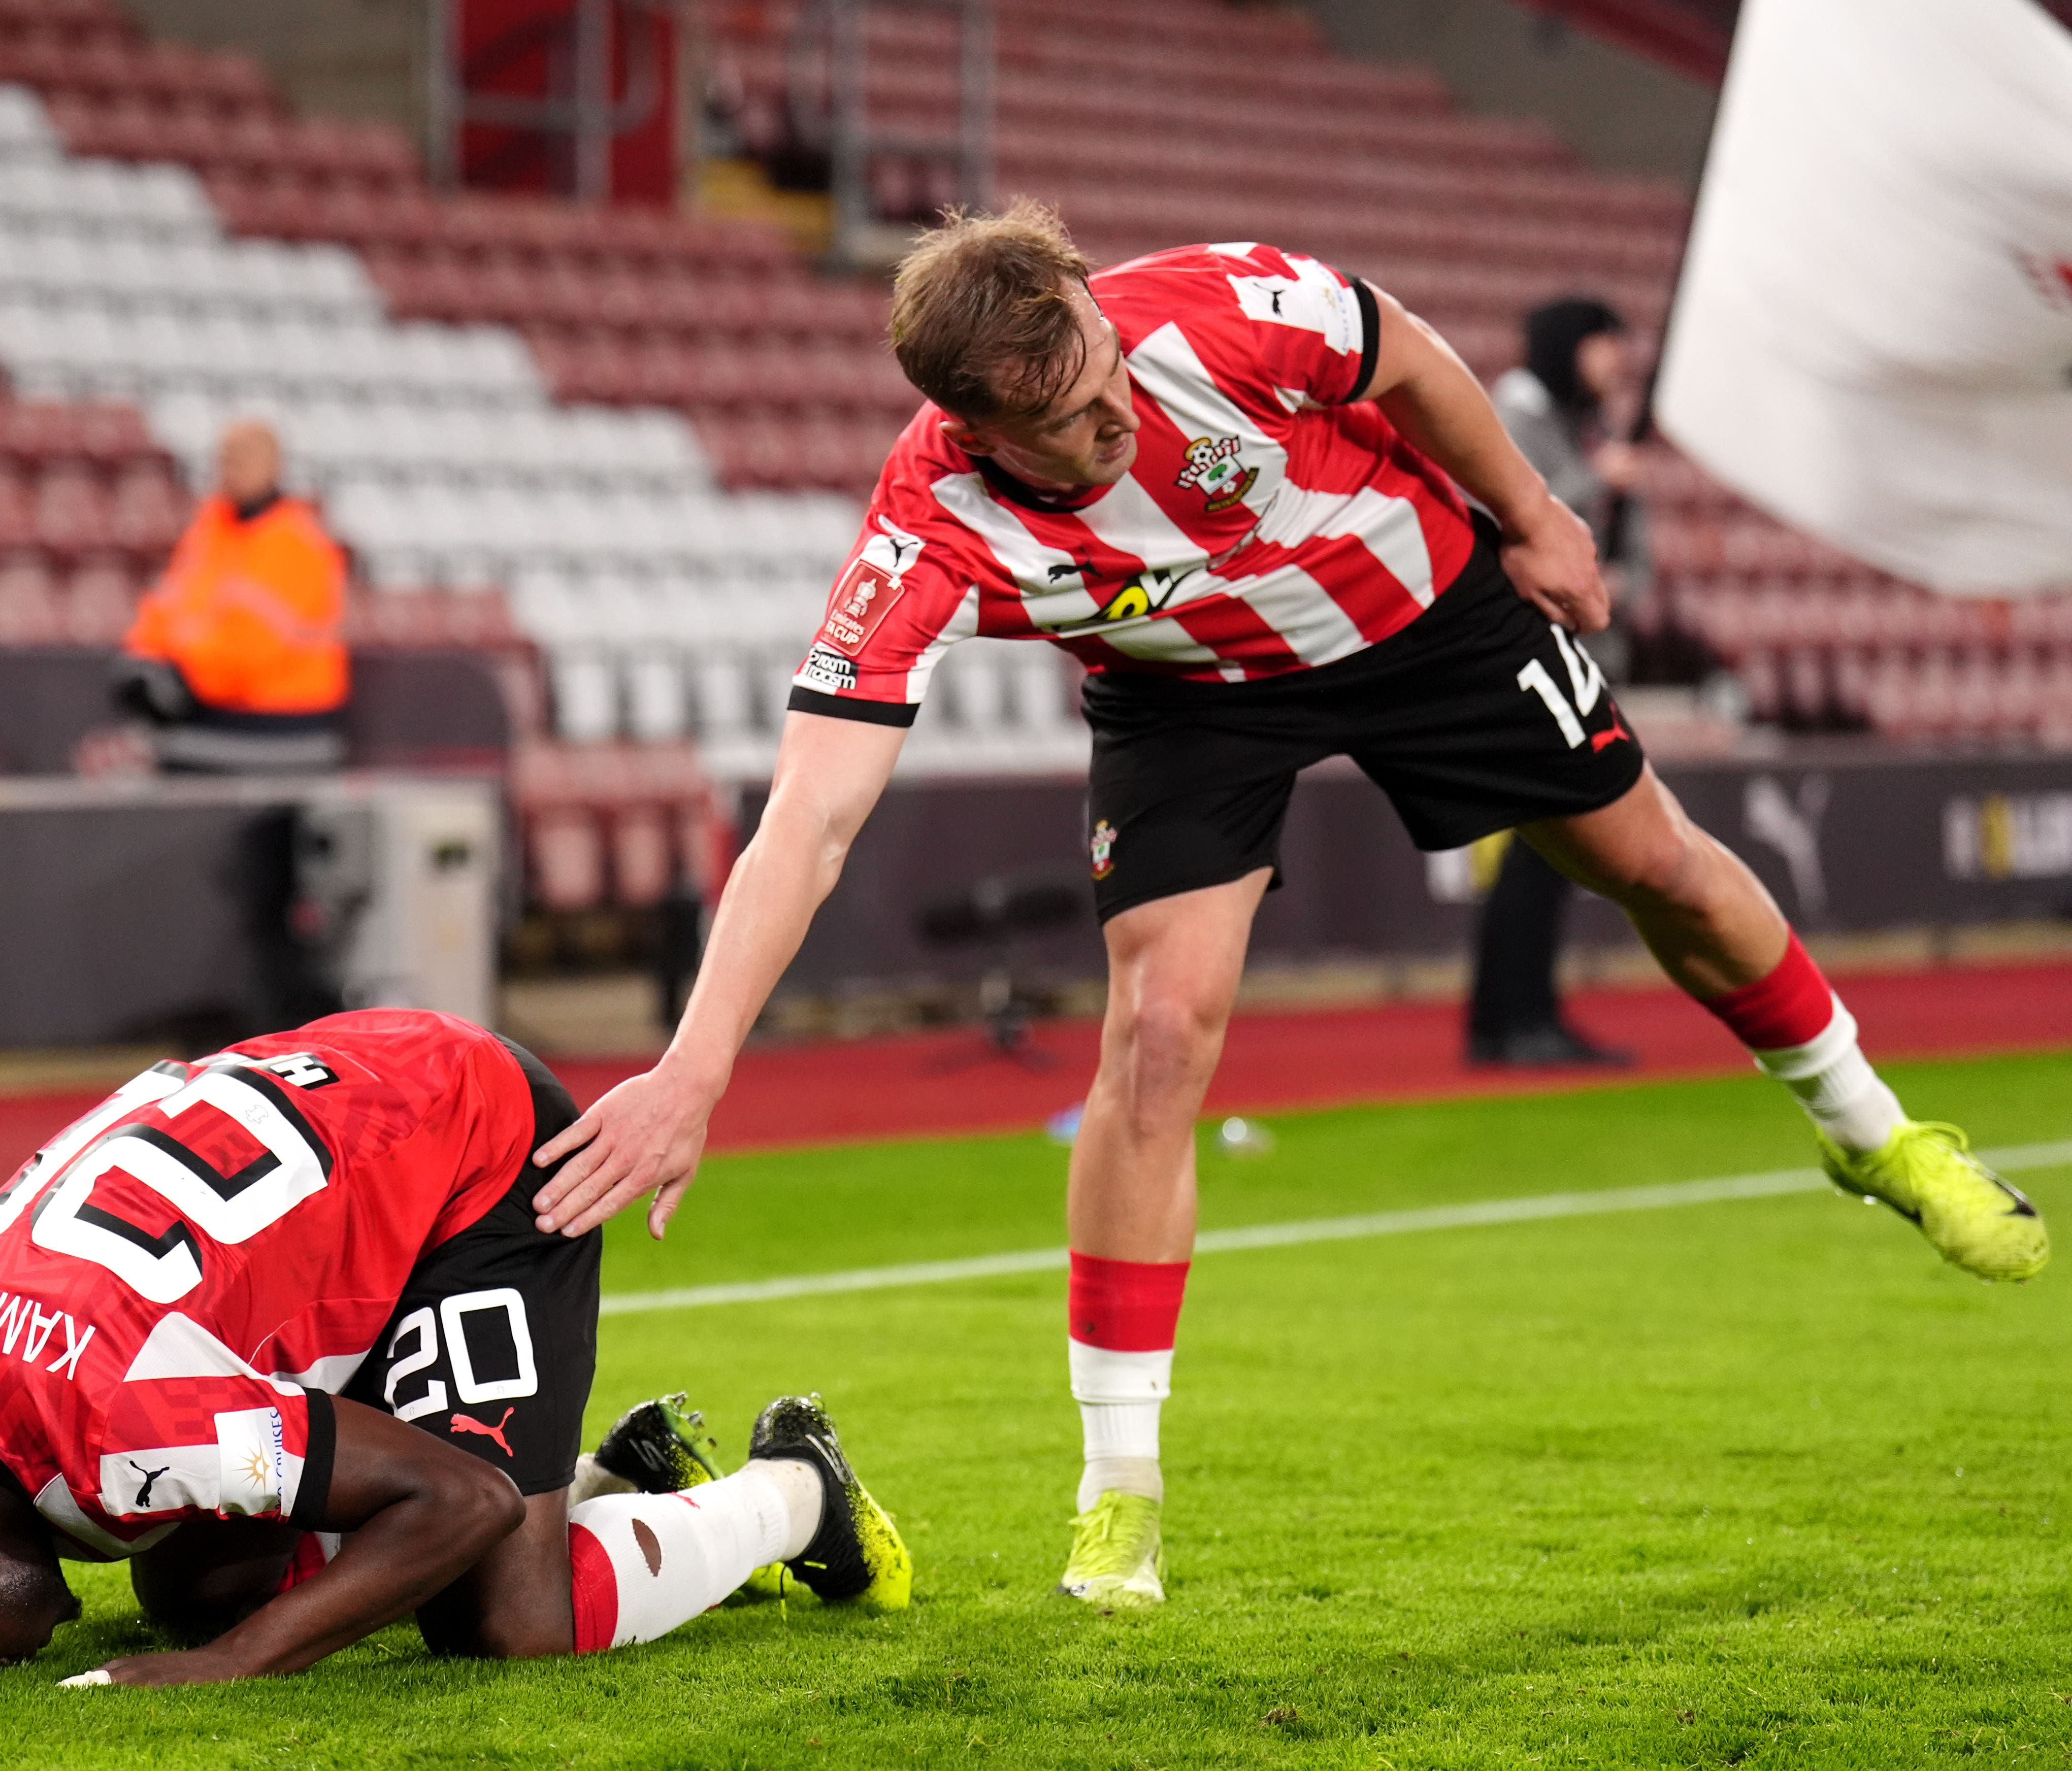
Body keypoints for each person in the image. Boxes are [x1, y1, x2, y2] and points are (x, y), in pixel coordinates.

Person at [518, 202, 2050, 1613]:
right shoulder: (927, 529)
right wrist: (699, 1061)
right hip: (1190, 699)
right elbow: (814, 811)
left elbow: (1408, 351)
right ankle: (1119, 1488)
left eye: (1107, 375)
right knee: (1158, 1031)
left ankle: (1875, 1135)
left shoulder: (1209, 311)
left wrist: (1531, 512)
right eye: (1064, 423)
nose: (1114, 417)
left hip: (1416, 607)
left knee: (1650, 863)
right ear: (974, 430)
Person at [0, 1010, 908, 1683]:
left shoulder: (120, 1432)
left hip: (467, 1157)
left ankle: (798, 1489)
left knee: (505, 1617)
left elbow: (462, 1497)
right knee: (208, 1579)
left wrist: (229, 1667)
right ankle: (614, 1482)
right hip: (336, 1117)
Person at [1466, 298, 1648, 1065]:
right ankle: (1516, 1019)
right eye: (1603, 341)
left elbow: (1622, 547)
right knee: (1543, 849)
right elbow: (1515, 508)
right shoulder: (1519, 412)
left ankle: (1516, 1016)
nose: (1614, 359)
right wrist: (1594, 476)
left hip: (1566, 652)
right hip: (1527, 654)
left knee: (1547, 849)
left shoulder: (1576, 420)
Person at [116, 418, 351, 773]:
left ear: (274, 465)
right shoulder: (210, 530)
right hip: (215, 706)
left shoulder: (297, 542)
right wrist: (144, 663)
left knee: (156, 761)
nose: (229, 468)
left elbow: (253, 648)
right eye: (224, 457)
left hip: (284, 718)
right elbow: (166, 608)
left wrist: (183, 677)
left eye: (243, 457)